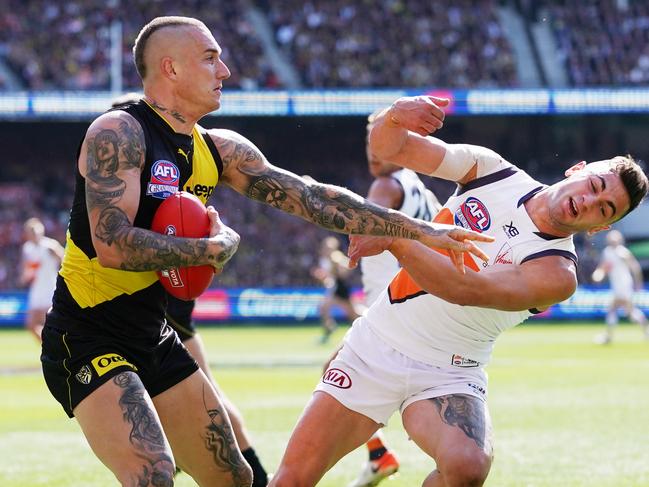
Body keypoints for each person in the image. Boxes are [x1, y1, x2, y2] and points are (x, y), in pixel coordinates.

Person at [40, 18, 491, 487]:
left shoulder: (219, 150)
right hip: (87, 336)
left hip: (153, 334)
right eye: (211, 58)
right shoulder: (119, 132)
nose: (226, 71)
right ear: (170, 68)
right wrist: (209, 248)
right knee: (152, 473)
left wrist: (418, 230)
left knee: (234, 476)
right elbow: (111, 244)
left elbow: (312, 197)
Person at [269, 95, 649, 487]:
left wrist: (393, 234)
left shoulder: (558, 273)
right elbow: (392, 149)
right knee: (291, 481)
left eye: (604, 209)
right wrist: (394, 116)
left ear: (601, 228)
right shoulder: (493, 171)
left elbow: (464, 288)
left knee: (467, 466)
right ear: (577, 169)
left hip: (450, 371)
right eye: (595, 185)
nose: (588, 201)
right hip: (377, 343)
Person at [111, 92, 270, 486]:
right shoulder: (168, 174)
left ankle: (258, 478)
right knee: (199, 400)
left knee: (201, 401)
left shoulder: (156, 179)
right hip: (162, 300)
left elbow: (143, 238)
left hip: (161, 303)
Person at [349, 111, 442, 487]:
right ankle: (379, 455)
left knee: (336, 376)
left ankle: (381, 455)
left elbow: (358, 231)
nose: (374, 151)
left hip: (391, 309)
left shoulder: (386, 186)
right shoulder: (418, 185)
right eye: (370, 141)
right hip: (416, 306)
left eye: (382, 141)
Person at [591, 229, 648, 344]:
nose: (613, 241)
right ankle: (646, 331)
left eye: (615, 239)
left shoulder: (622, 252)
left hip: (624, 284)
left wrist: (638, 283)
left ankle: (608, 336)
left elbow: (635, 267)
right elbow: (604, 266)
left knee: (614, 309)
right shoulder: (607, 252)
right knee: (629, 312)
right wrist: (599, 273)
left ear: (619, 240)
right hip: (616, 285)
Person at [311, 236, 362, 344]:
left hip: (341, 287)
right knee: (323, 308)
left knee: (353, 314)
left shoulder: (335, 256)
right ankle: (329, 329)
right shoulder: (325, 258)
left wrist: (339, 270)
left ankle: (366, 325)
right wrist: (323, 276)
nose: (326, 249)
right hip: (335, 288)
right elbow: (329, 277)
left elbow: (348, 267)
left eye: (328, 247)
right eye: (325, 246)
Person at [20, 217, 64, 342]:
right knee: (30, 325)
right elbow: (26, 269)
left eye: (35, 231)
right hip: (36, 290)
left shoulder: (50, 245)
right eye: (31, 231)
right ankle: (48, 347)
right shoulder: (27, 248)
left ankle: (55, 349)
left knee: (51, 325)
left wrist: (58, 256)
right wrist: (24, 277)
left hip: (50, 289)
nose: (34, 234)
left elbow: (65, 260)